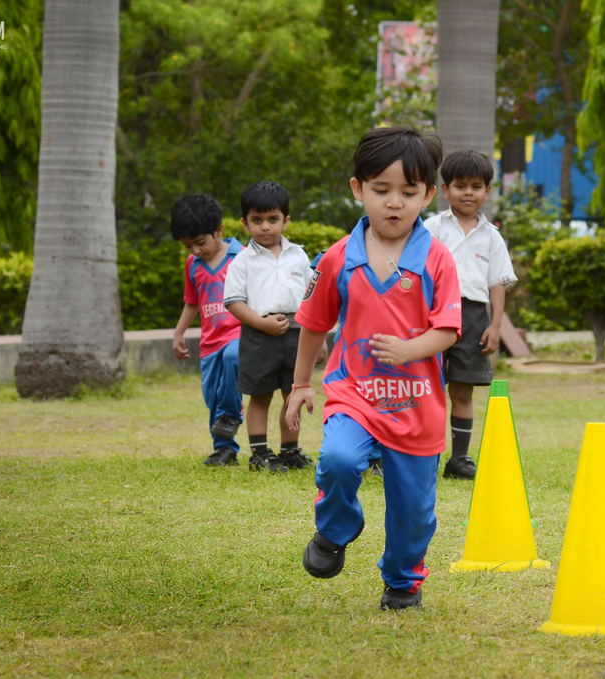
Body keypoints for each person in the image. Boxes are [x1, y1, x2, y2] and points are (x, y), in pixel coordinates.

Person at [285, 126, 461, 610]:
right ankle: (334, 532)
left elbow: (448, 330)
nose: (394, 203)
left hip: (417, 407)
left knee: (414, 513)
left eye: (408, 192)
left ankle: (402, 585)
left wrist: (410, 349)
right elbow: (314, 322)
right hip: (354, 393)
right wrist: (302, 383)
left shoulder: (438, 259)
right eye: (381, 190)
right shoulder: (339, 257)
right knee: (339, 460)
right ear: (358, 189)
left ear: (427, 194)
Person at [424, 149, 517, 480]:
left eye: (476, 186)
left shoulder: (492, 237)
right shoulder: (431, 228)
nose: (468, 193)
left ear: (487, 192)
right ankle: (422, 456)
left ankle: (459, 459)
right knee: (424, 386)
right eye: (460, 185)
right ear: (445, 189)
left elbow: (497, 285)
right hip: (432, 314)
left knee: (463, 390)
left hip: (474, 317)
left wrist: (494, 325)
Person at [224, 181, 315, 473]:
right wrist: (262, 324)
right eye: (257, 220)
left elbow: (310, 298)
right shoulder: (242, 260)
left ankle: (290, 450)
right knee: (260, 395)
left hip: (296, 333)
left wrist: (319, 339)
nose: (265, 227)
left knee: (293, 395)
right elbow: (234, 302)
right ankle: (260, 453)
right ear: (245, 223)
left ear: (285, 221)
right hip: (258, 335)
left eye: (273, 219)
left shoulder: (299, 256)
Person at [170, 194, 245, 467]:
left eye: (200, 242)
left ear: (219, 230)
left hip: (239, 334)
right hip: (209, 343)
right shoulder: (193, 265)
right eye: (188, 246)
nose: (195, 250)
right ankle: (225, 451)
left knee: (233, 358)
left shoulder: (243, 257)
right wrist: (179, 333)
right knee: (211, 397)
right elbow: (192, 302)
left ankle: (231, 413)